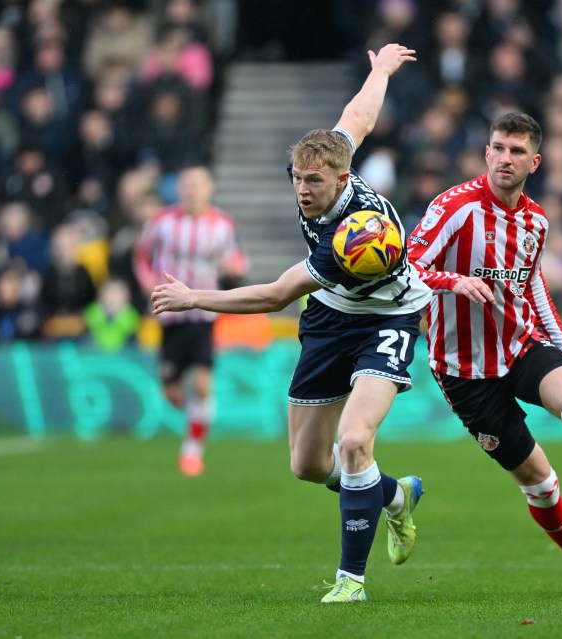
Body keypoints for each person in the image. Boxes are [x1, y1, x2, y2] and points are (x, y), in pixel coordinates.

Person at [151, 43, 430, 603]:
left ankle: (351, 580)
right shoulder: (329, 157)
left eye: (314, 183)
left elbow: (274, 295)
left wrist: (193, 299)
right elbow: (357, 117)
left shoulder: (351, 238)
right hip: (330, 319)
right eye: (297, 178)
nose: (303, 190)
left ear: (342, 178)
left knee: (354, 442)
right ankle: (395, 496)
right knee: (306, 465)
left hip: (387, 318)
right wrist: (379, 70)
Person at [407, 112, 562, 595]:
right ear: (486, 153)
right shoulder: (455, 208)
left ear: (535, 161)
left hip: (520, 345)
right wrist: (454, 281)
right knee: (541, 483)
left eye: (517, 151)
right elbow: (408, 265)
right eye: (499, 148)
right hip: (464, 372)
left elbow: (533, 286)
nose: (506, 158)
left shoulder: (536, 221)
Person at [135, 165, 247, 476]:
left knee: (201, 382)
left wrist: (232, 266)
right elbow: (142, 255)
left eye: (198, 184)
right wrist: (147, 282)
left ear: (209, 188)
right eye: (187, 184)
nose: (192, 190)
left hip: (203, 311)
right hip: (169, 314)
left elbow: (237, 260)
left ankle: (192, 449)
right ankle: (198, 417)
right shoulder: (161, 222)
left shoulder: (222, 224)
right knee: (171, 391)